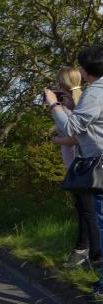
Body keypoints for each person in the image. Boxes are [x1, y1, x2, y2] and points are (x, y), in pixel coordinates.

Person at [46, 45, 103, 273]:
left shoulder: (94, 93)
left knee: (97, 219)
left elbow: (71, 129)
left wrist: (54, 104)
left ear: (85, 69)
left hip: (96, 163)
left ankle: (98, 271)